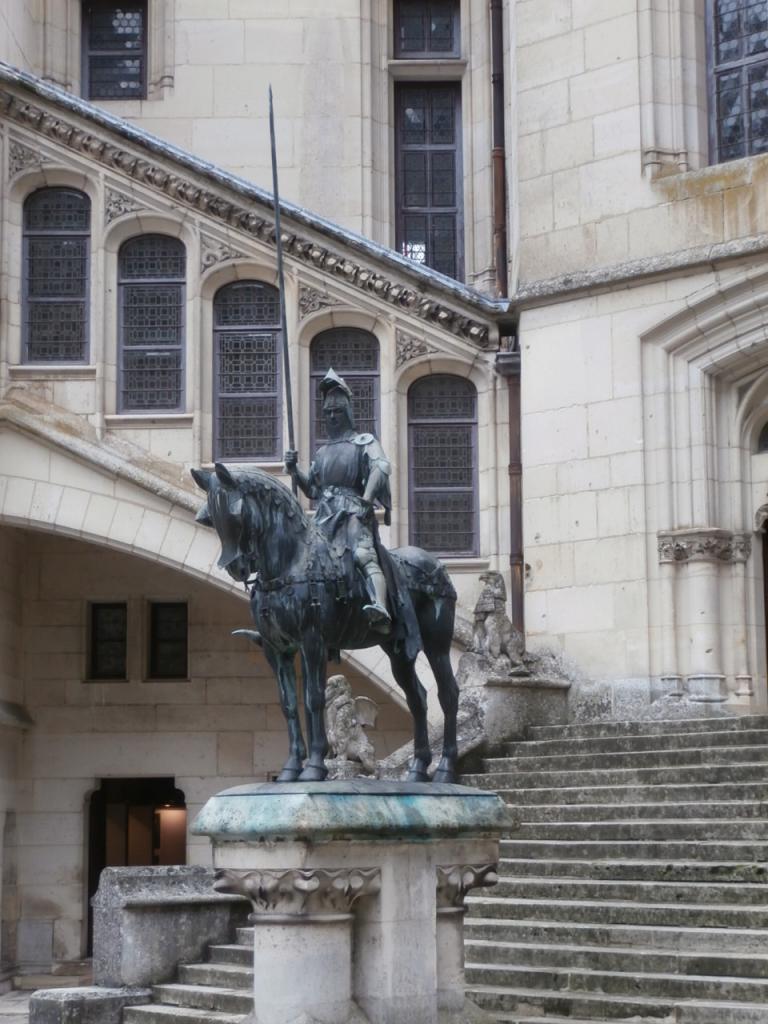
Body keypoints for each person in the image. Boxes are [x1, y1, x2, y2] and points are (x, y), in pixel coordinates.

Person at [284, 368, 392, 631]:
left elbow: (381, 467)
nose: (332, 416)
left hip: (353, 510)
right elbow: (312, 490)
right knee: (302, 558)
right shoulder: (322, 452)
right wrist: (294, 470)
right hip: (324, 515)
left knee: (362, 553)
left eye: (337, 411)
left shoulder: (364, 442)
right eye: (328, 412)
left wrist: (367, 499)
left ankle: (380, 605)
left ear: (348, 413)